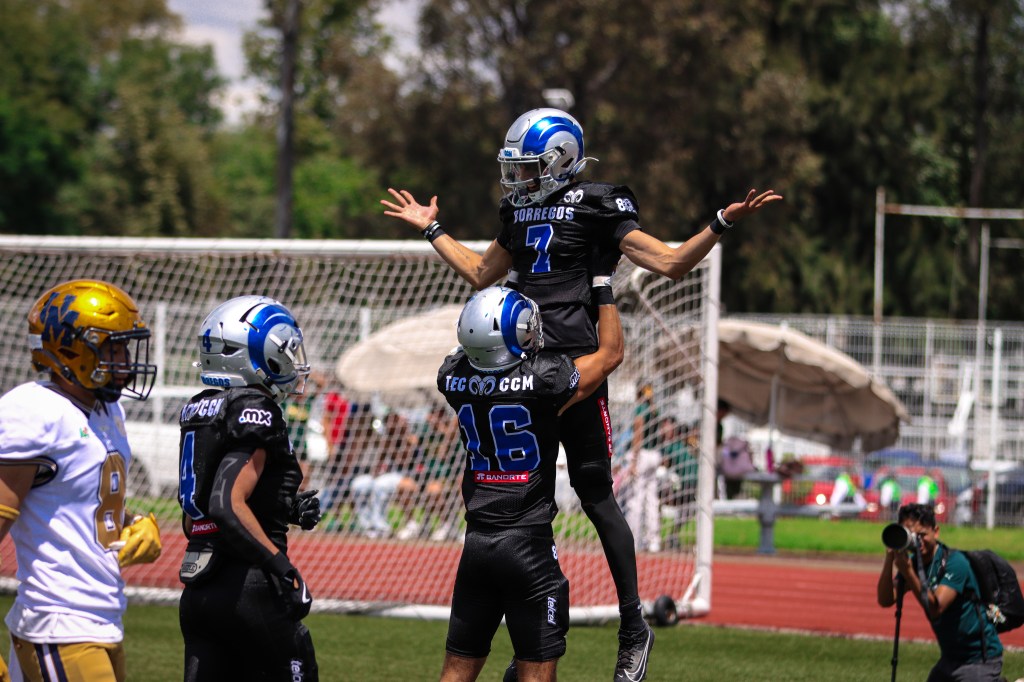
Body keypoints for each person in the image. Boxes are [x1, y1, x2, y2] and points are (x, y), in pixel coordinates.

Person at [383, 107, 781, 674]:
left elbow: (668, 263)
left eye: (526, 166)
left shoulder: (598, 201)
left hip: (576, 363)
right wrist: (432, 227)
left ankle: (632, 625)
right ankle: (527, 652)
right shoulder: (517, 210)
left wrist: (719, 221)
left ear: (560, 160)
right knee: (525, 498)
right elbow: (479, 273)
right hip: (521, 362)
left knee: (594, 493)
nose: (516, 178)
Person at [437, 285, 626, 682]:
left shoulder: (452, 378)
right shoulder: (546, 379)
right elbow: (610, 355)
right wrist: (603, 288)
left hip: (476, 544)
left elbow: (472, 366)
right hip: (528, 545)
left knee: (455, 671)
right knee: (536, 672)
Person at [0, 279, 161, 682]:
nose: (124, 361)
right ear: (69, 349)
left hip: (100, 616)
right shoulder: (34, 412)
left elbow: (79, 498)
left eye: (125, 348)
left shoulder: (108, 412)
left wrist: (132, 521)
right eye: (111, 348)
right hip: (59, 619)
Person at [177, 295, 320, 681]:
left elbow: (198, 516)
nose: (293, 360)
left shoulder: (200, 408)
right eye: (287, 350)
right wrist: (283, 569)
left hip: (200, 588)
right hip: (248, 586)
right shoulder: (253, 407)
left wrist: (282, 507)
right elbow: (226, 503)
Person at [877, 503, 1004, 681]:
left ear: (935, 531)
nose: (917, 541)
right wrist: (889, 558)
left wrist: (908, 573)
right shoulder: (913, 565)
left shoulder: (954, 562)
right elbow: (885, 599)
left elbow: (936, 608)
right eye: (911, 536)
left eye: (922, 535)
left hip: (979, 659)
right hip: (950, 658)